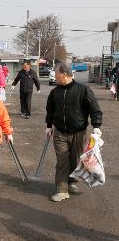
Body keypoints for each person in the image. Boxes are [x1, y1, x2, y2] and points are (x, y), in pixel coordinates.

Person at [46, 63, 103, 202]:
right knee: (62, 161)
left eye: (56, 73)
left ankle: (71, 181)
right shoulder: (55, 92)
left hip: (79, 132)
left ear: (64, 74)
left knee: (75, 160)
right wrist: (49, 126)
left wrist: (96, 125)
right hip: (60, 131)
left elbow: (94, 108)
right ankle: (61, 190)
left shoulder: (83, 90)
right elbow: (50, 110)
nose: (55, 76)